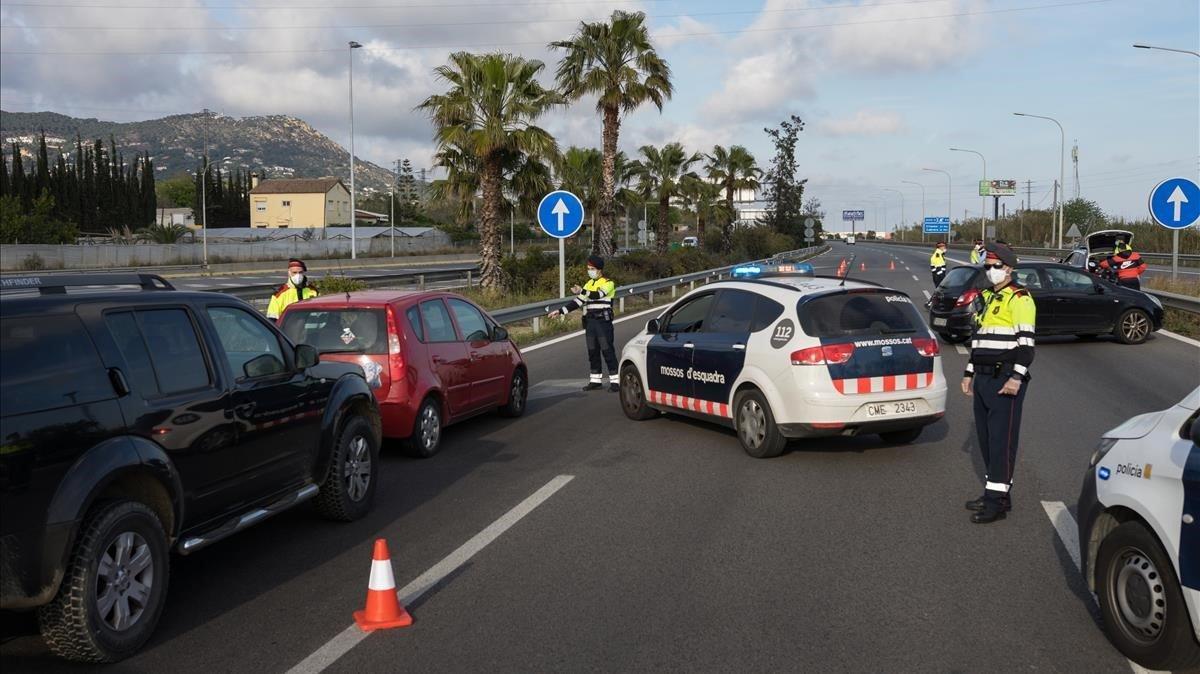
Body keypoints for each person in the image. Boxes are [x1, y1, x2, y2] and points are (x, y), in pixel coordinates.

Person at [962, 243, 1036, 524]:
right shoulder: (986, 298)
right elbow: (978, 342)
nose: (991, 271)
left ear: (1009, 268)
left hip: (1005, 379)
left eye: (996, 266)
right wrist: (969, 374)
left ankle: (997, 502)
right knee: (987, 441)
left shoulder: (1020, 299)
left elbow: (1027, 346)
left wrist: (1016, 377)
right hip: (983, 377)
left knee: (1001, 442)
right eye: (988, 266)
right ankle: (994, 492)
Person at [557, 255, 618, 391]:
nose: (589, 271)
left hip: (603, 322)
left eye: (592, 269)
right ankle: (595, 380)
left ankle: (615, 381)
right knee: (592, 351)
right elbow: (578, 302)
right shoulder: (589, 283)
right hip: (590, 322)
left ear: (599, 269)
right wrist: (560, 311)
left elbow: (597, 295)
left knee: (607, 350)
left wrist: (582, 291)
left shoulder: (608, 283)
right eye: (588, 268)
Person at [266, 258, 318, 322]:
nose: (298, 275)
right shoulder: (279, 294)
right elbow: (272, 319)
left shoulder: (313, 291)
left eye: (300, 272)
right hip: (289, 330)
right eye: (294, 272)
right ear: (289, 273)